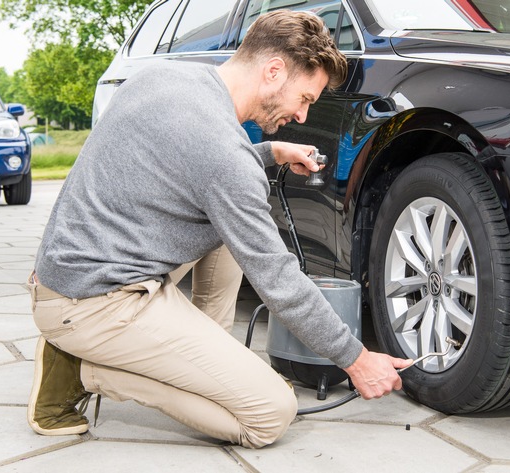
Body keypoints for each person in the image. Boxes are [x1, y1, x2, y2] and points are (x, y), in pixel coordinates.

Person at [27, 10, 411, 449]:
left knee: (228, 235)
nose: (303, 116)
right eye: (304, 98)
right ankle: (79, 368)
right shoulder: (224, 157)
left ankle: (206, 367)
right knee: (269, 414)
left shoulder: (164, 78)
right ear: (273, 71)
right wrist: (355, 359)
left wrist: (268, 151)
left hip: (64, 274)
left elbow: (195, 161)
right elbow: (279, 281)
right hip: (92, 304)